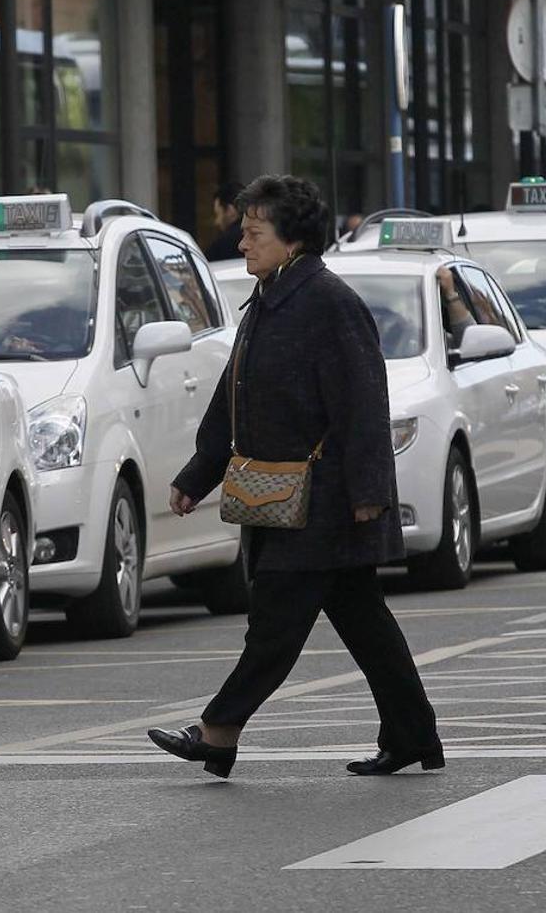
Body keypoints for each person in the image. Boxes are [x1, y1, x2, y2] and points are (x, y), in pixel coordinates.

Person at [149, 174, 441, 779]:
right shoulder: (269, 298)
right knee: (365, 624)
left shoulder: (329, 303)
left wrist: (367, 496)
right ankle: (414, 734)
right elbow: (233, 395)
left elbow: (363, 404)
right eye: (244, 230)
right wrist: (197, 474)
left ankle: (218, 730)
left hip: (325, 502)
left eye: (254, 233)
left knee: (275, 627)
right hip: (282, 496)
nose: (242, 243)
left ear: (293, 242)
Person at [203, 181, 245, 261]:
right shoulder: (264, 235)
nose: (217, 222)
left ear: (230, 210)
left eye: (218, 214)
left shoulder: (225, 243)